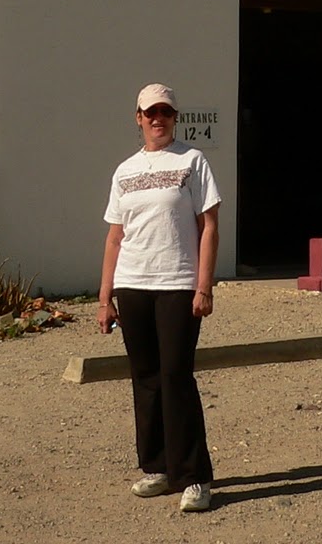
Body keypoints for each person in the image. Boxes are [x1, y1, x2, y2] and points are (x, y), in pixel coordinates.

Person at [98, 83, 222, 513]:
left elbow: (209, 225)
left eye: (165, 113)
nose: (158, 119)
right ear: (138, 117)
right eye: (150, 113)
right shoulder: (125, 171)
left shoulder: (193, 162)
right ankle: (158, 468)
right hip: (132, 285)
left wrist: (204, 286)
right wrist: (104, 297)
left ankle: (194, 478)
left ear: (174, 118)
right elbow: (115, 237)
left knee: (176, 377)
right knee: (145, 378)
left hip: (177, 284)